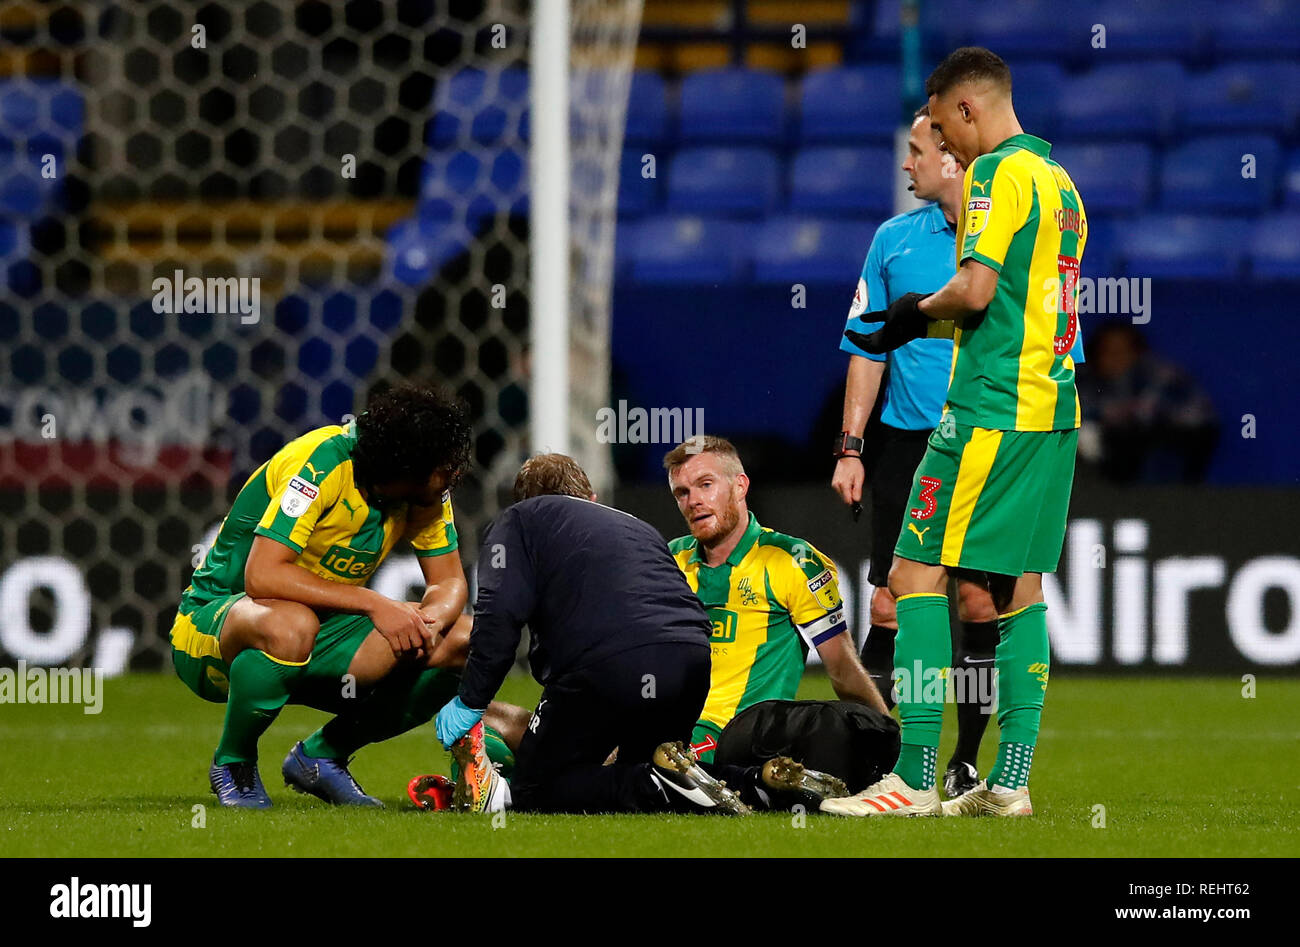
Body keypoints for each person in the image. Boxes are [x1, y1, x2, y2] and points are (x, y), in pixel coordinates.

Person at [825, 47, 1085, 818]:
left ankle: (907, 778)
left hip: (987, 410)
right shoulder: (1061, 183)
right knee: (1022, 591)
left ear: (967, 112)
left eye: (941, 127)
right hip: (1054, 410)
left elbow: (974, 290)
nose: (945, 146)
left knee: (912, 579)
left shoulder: (998, 177)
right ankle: (1010, 780)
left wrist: (912, 313)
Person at [169, 383, 475, 808]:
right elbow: (262, 575)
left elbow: (449, 583)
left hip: (324, 640)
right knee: (291, 624)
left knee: (460, 641)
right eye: (443, 467)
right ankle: (234, 763)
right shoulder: (320, 463)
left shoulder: (421, 491)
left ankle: (322, 757)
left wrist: (431, 621)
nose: (453, 475)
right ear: (404, 467)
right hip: (216, 630)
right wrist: (375, 603)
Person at [832, 105, 1005, 799]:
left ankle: (962, 759)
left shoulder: (1000, 238)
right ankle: (883, 754)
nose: (906, 162)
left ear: (952, 156)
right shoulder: (892, 240)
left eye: (915, 149)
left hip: (987, 440)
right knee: (888, 602)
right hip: (907, 443)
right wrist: (851, 447)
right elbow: (867, 349)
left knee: (975, 600)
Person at [432, 453, 754, 814]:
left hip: (612, 664)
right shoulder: (639, 527)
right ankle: (757, 782)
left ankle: (657, 783)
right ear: (591, 499)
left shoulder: (519, 520)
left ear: (523, 501)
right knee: (634, 774)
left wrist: (471, 700)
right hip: (692, 662)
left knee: (537, 789)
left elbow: (497, 618)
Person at [664, 436, 888, 762]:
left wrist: (886, 739)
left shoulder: (790, 560)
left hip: (736, 735)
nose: (693, 500)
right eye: (682, 493)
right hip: (668, 724)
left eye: (705, 485)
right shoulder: (671, 558)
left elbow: (841, 667)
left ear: (740, 486)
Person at [1076, 321, 1218, 483]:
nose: (1116, 358)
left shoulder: (1162, 377)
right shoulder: (1086, 379)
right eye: (1108, 351)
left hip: (1164, 450)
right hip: (1109, 463)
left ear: (1137, 353)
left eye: (1123, 351)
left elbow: (1197, 417)